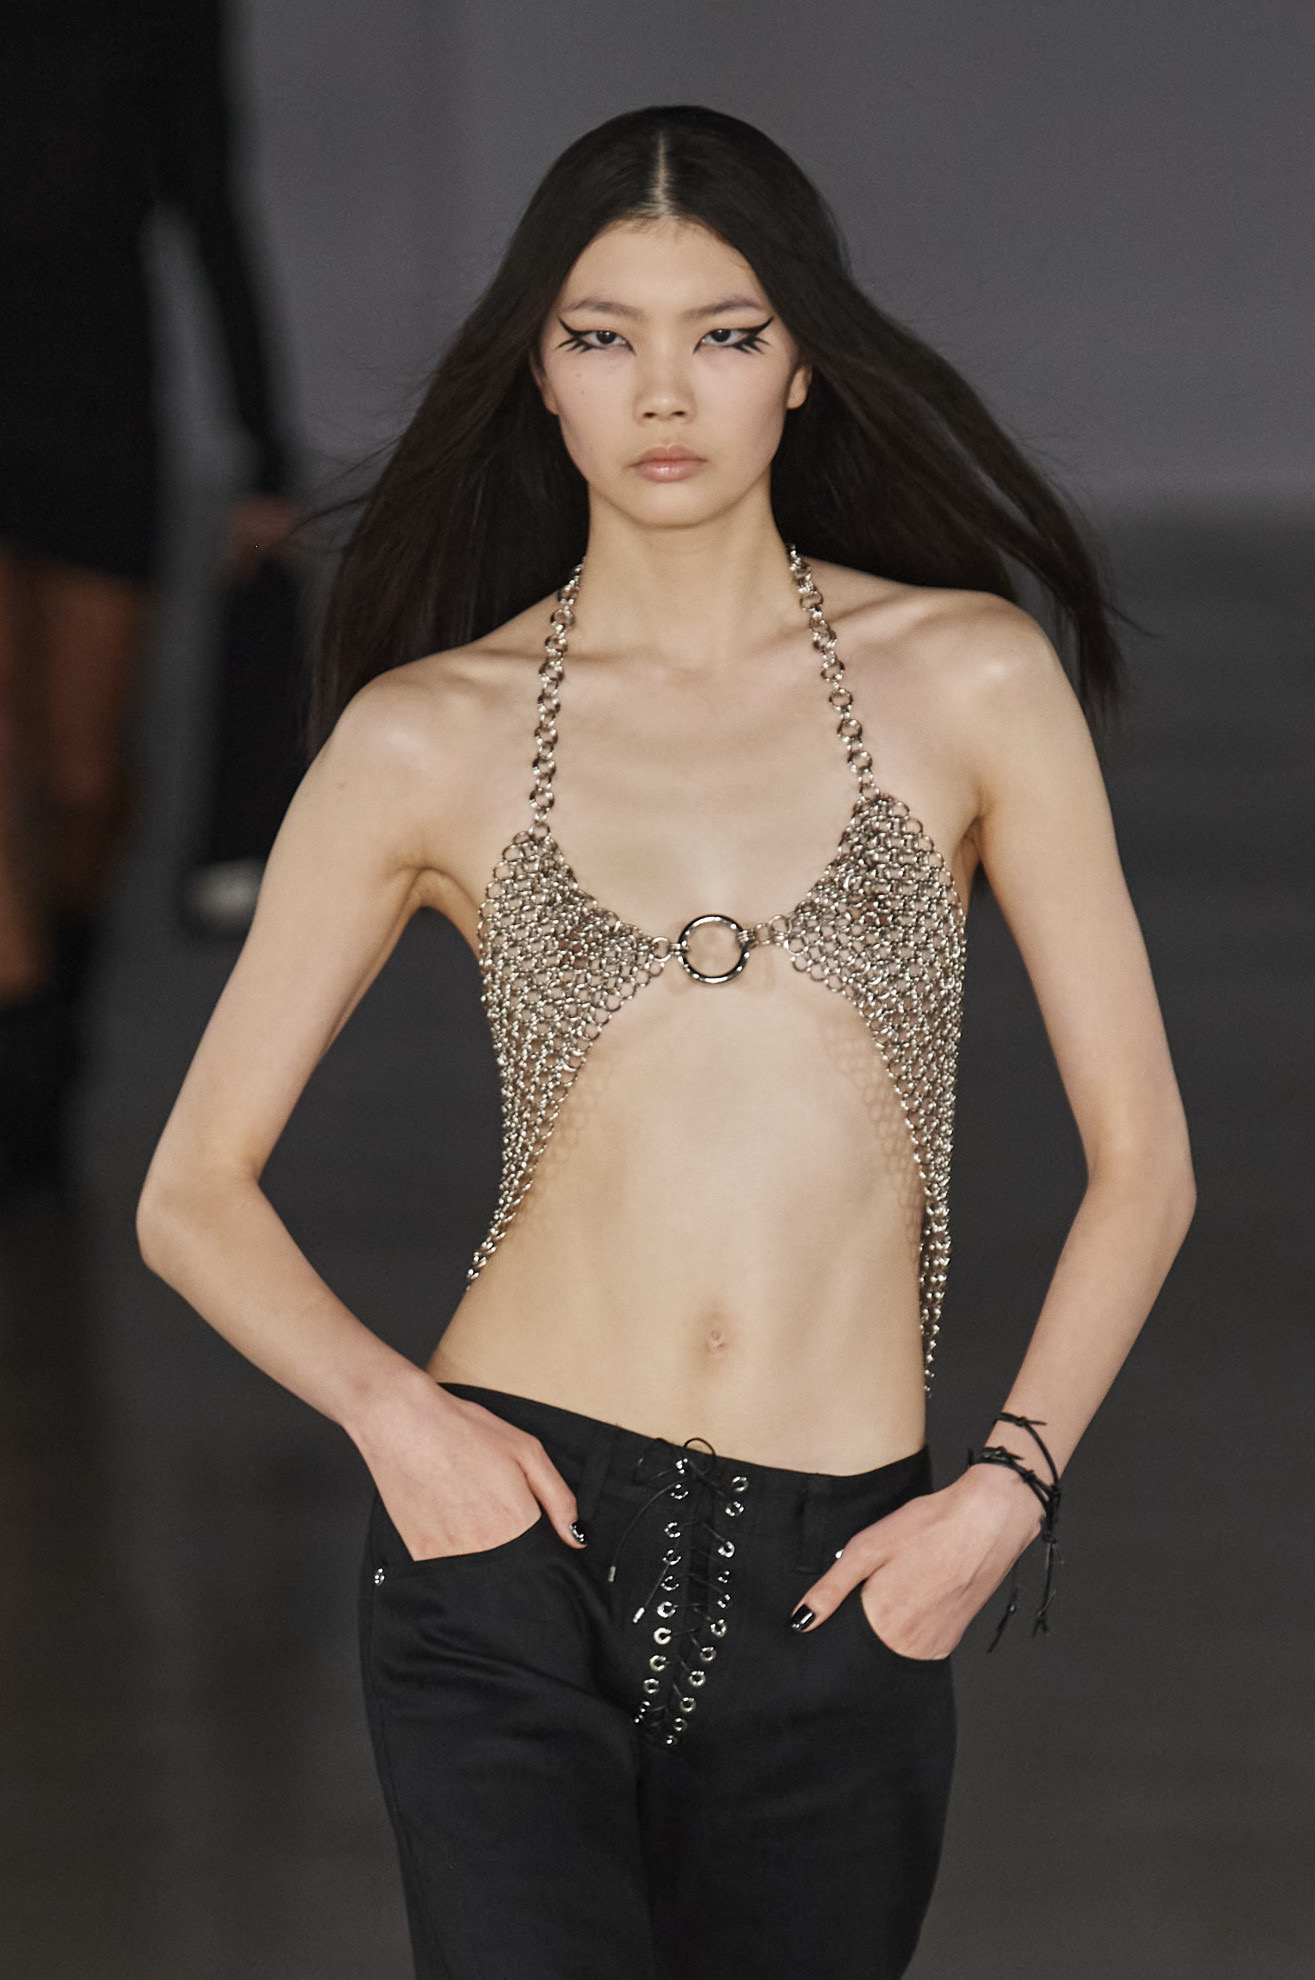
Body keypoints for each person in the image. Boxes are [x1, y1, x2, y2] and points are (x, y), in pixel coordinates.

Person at [137, 106, 1195, 1980]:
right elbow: (191, 1193)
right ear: (538, 375)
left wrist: (1007, 1493)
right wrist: (398, 1420)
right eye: (600, 335)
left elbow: (1146, 1166)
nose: (662, 391)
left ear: (802, 364)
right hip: (505, 1553)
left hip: (846, 1579)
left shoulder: (971, 679)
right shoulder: (428, 733)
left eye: (723, 332)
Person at [0, 0, 296, 1196]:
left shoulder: (165, 14)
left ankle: (62, 981)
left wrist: (263, 448)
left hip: (96, 401)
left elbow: (212, 209)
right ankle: (20, 1049)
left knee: (82, 776)